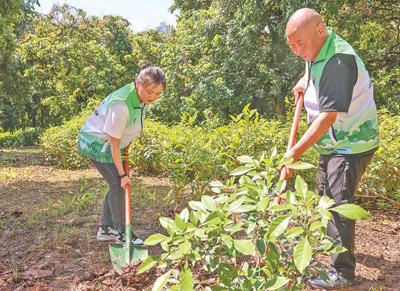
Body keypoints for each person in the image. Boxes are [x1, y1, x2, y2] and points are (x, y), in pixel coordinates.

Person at [285, 8, 380, 290]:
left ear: (320, 29)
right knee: (325, 198)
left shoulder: (339, 60)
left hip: (350, 145)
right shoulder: (316, 52)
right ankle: (334, 252)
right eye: (291, 46)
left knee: (338, 206)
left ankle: (343, 275)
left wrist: (295, 152)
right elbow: (315, 68)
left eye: (299, 44)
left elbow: (328, 117)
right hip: (334, 143)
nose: (297, 51)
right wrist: (305, 80)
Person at [77, 62, 166, 246]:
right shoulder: (121, 104)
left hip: (112, 143)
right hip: (97, 143)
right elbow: (114, 143)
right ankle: (122, 232)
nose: (153, 97)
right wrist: (123, 174)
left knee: (115, 184)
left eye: (157, 94)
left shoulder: (141, 97)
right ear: (138, 84)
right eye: (150, 93)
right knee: (118, 183)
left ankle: (106, 229)